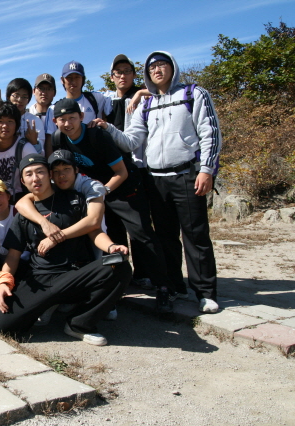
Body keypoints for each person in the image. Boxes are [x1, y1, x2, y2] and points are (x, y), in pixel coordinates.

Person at [95, 51, 222, 313]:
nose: (157, 70)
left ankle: (205, 292)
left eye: (162, 64)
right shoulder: (146, 104)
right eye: (152, 67)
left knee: (195, 235)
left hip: (188, 174)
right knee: (165, 236)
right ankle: (175, 286)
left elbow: (210, 133)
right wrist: (109, 129)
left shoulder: (193, 94)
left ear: (173, 67)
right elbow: (131, 141)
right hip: (155, 179)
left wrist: (207, 170)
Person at [0, 154, 131, 345]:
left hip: (76, 274)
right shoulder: (23, 214)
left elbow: (95, 231)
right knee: (1, 327)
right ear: (22, 181)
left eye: (40, 172)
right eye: (29, 174)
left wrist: (112, 246)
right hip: (41, 278)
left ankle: (79, 323)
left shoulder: (75, 200)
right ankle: (49, 305)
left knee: (120, 265)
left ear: (49, 175)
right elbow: (13, 256)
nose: (35, 178)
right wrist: (3, 282)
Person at [51, 98, 173, 313]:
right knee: (112, 239)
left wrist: (103, 191)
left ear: (81, 117)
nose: (68, 123)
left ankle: (164, 287)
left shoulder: (97, 136)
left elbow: (121, 172)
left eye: (72, 118)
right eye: (62, 119)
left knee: (142, 235)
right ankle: (118, 286)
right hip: (98, 192)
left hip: (124, 189)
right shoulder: (59, 138)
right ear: (55, 122)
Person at [103, 54, 154, 290]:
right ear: (112, 77)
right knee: (114, 227)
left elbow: (162, 92)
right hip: (111, 170)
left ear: (134, 74)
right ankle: (122, 275)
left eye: (127, 71)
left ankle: (145, 274)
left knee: (139, 226)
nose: (122, 76)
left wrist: (141, 92)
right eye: (118, 72)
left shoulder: (143, 97)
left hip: (137, 168)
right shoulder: (107, 100)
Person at [5, 78, 45, 152]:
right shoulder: (1, 120)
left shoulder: (35, 121)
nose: (20, 100)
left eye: (24, 97)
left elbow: (41, 152)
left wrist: (34, 142)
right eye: (16, 95)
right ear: (8, 97)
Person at [29, 73, 57, 151]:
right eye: (41, 88)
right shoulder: (27, 115)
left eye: (49, 89)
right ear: (34, 91)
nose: (44, 92)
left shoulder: (60, 116)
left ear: (54, 93)